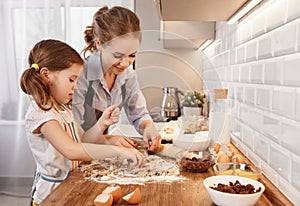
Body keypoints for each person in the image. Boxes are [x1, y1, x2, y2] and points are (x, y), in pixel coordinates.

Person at [20, 39, 145, 205]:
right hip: (51, 196)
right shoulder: (41, 114)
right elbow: (71, 150)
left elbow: (84, 140)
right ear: (46, 75)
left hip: (71, 187)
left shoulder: (63, 109)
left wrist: (103, 126)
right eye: (71, 80)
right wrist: (116, 151)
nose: (76, 87)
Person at [72, 6, 162, 151]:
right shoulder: (80, 77)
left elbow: (139, 114)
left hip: (96, 152)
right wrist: (109, 139)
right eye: (118, 56)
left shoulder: (127, 75)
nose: (125, 63)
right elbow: (74, 136)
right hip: (71, 158)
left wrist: (148, 127)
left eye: (132, 55)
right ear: (99, 43)